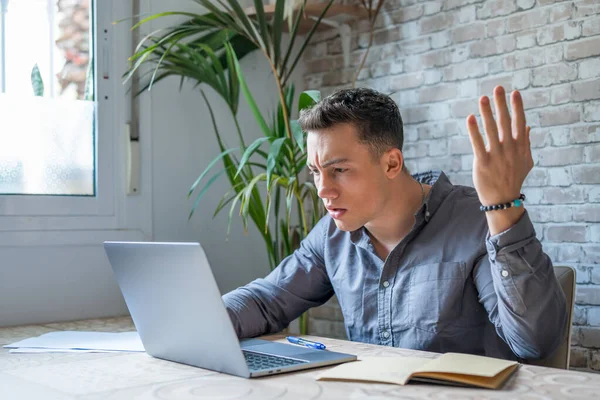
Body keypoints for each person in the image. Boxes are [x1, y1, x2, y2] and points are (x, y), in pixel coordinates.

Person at [222, 86, 568, 361]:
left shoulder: (477, 221)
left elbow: (533, 344)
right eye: (316, 172)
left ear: (391, 163)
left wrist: (502, 206)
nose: (323, 190)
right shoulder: (332, 234)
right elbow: (266, 301)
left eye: (339, 170)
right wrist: (198, 320)